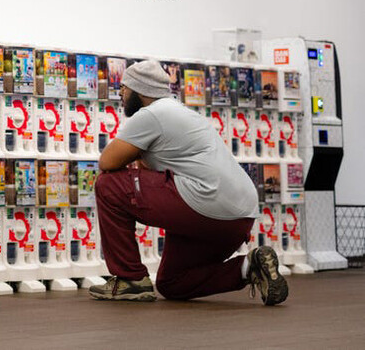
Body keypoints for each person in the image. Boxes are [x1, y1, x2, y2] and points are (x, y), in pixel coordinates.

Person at [91, 60, 288, 304]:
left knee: (108, 185)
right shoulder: (181, 111)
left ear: (141, 91)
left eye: (124, 87)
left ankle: (129, 280)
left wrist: (136, 153)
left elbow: (107, 162)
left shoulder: (151, 114)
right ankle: (249, 266)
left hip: (205, 203)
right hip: (239, 217)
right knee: (172, 283)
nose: (120, 93)